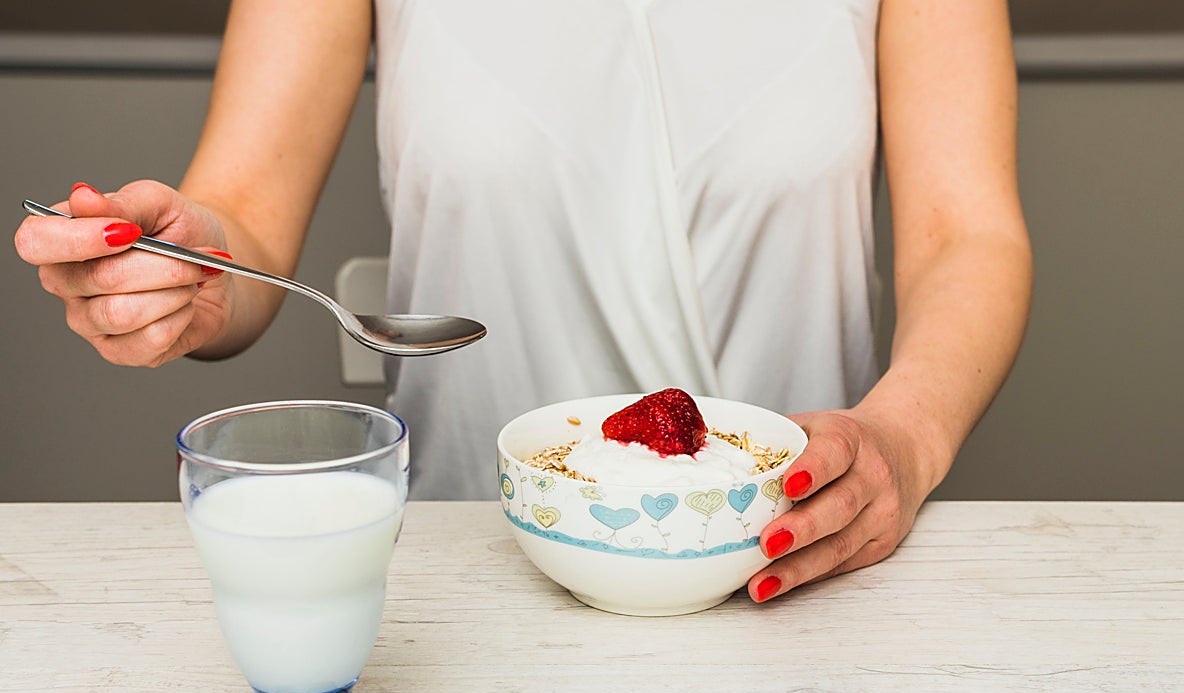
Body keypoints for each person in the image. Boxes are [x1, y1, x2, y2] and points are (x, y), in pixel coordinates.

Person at [13, 0, 1032, 604]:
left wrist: (906, 439)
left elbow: (967, 235)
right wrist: (184, 276)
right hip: (465, 595)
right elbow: (242, 223)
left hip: (805, 569)